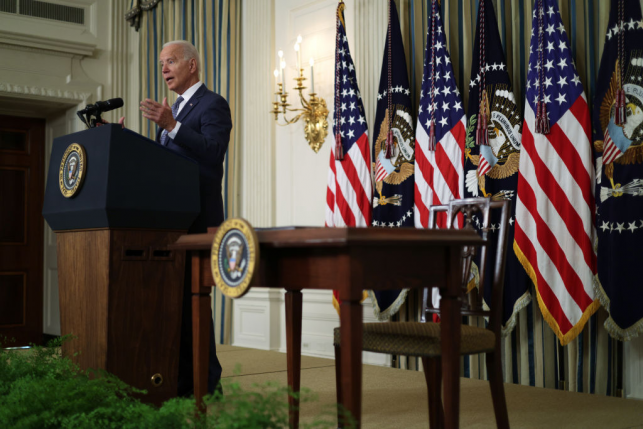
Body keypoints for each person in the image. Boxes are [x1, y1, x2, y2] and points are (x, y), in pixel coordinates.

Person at [140, 40, 232, 397]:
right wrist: (116, 140)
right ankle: (182, 380)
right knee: (175, 303)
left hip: (198, 218)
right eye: (161, 62)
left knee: (194, 302)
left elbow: (212, 152)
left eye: (171, 61)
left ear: (192, 65)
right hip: (171, 219)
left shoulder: (212, 104)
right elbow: (164, 164)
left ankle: (206, 384)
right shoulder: (173, 109)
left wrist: (172, 124)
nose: (163, 68)